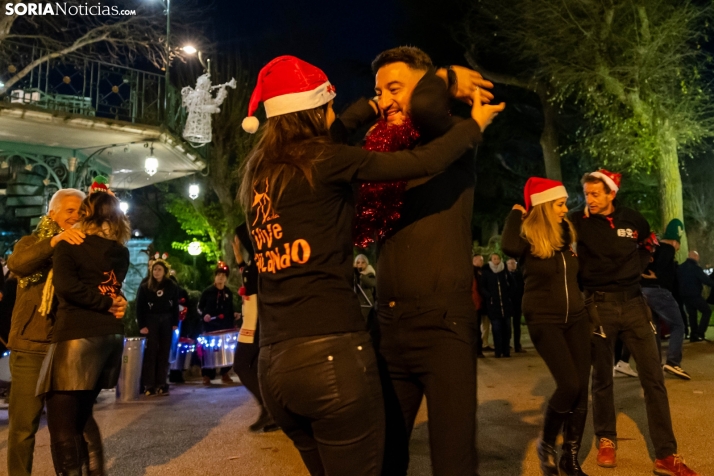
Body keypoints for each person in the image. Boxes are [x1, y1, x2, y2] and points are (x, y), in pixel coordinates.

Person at [238, 55, 499, 476]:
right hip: (362, 337)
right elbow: (412, 158)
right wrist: (451, 102)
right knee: (382, 460)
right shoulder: (329, 160)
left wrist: (442, 83)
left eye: (396, 89)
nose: (384, 100)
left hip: (292, 357)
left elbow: (428, 107)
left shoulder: (266, 168)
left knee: (451, 461)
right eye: (378, 91)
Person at [571, 169, 700, 475]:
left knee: (654, 379)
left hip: (634, 304)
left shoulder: (632, 219)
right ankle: (606, 439)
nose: (589, 200)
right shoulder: (577, 222)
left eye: (595, 194)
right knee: (602, 378)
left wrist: (637, 268)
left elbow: (650, 245)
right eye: (586, 194)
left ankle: (666, 455)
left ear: (611, 193)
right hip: (598, 305)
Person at [6, 188, 107, 476]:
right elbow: (17, 264)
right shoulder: (33, 243)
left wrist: (115, 302)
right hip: (30, 347)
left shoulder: (86, 250)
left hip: (68, 348)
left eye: (81, 212)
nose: (76, 217)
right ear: (52, 214)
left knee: (72, 426)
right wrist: (55, 242)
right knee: (24, 427)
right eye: (70, 211)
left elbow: (102, 287)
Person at [36, 188, 130, 475]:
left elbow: (67, 287)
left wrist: (103, 302)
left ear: (87, 214)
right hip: (110, 337)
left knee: (62, 424)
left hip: (76, 337)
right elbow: (109, 288)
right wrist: (109, 302)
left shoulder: (70, 245)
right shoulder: (120, 252)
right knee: (81, 417)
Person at [502, 177, 591, 476]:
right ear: (543, 206)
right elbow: (508, 245)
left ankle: (571, 457)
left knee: (582, 389)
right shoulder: (526, 237)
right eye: (559, 204)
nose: (565, 209)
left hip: (576, 317)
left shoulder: (566, 231)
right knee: (569, 385)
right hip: (544, 319)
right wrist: (517, 211)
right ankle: (547, 445)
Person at [231, 224, 278, 433]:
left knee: (241, 364)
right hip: (253, 318)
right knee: (257, 367)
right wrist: (240, 259)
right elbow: (249, 273)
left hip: (255, 320)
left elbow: (252, 277)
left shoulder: (260, 260)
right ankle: (269, 410)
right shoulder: (258, 260)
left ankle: (268, 408)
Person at [641, 219, 690, 379]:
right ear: (676, 240)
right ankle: (673, 361)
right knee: (678, 325)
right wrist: (659, 277)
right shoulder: (668, 248)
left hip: (644, 291)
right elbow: (663, 271)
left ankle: (653, 366)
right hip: (659, 292)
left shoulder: (653, 248)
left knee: (654, 328)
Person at [136, 258, 180, 396]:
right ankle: (149, 385)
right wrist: (142, 325)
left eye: (159, 269)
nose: (156, 272)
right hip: (151, 320)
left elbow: (175, 306)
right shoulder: (145, 285)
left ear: (165, 271)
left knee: (164, 351)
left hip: (166, 320)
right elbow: (139, 306)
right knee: (151, 352)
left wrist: (174, 323)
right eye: (154, 269)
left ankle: (161, 383)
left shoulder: (172, 285)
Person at [198, 263, 239, 385]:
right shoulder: (207, 292)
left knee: (227, 350)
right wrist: (204, 315)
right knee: (209, 351)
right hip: (210, 327)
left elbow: (230, 309)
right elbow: (199, 308)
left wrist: (234, 314)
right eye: (219, 275)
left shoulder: (228, 293)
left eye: (223, 276)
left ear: (226, 278)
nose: (221, 278)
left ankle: (224, 373)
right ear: (214, 277)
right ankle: (207, 375)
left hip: (225, 326)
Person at [480, 253, 514, 358]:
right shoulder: (487, 272)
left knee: (506, 329)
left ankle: (506, 351)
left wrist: (509, 295)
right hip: (494, 306)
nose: (497, 260)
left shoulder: (504, 271)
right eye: (494, 258)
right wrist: (489, 296)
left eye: (498, 258)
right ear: (491, 260)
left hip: (505, 305)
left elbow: (512, 283)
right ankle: (498, 351)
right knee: (496, 329)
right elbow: (482, 287)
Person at [677, 250, 714, 342]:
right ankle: (700, 332)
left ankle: (693, 335)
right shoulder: (696, 268)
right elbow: (706, 280)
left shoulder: (680, 267)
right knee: (707, 311)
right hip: (694, 294)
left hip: (684, 295)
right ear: (696, 257)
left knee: (692, 314)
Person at [506, 257, 526, 353]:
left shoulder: (519, 275)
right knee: (507, 326)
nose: (512, 265)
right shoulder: (504, 275)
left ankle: (517, 345)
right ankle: (507, 344)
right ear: (507, 264)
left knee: (517, 325)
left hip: (518, 303)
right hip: (508, 303)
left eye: (514, 263)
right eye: (510, 263)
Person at [354, 254, 377, 322]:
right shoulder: (354, 275)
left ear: (366, 263)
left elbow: (372, 283)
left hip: (367, 303)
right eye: (358, 262)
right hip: (358, 303)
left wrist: (361, 276)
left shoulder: (370, 274)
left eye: (363, 262)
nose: (360, 264)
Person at [472, 255, 485, 358]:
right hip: (475, 305)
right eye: (480, 260)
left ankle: (478, 350)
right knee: (476, 329)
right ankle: (477, 351)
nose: (482, 262)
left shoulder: (480, 272)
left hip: (477, 304)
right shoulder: (475, 273)